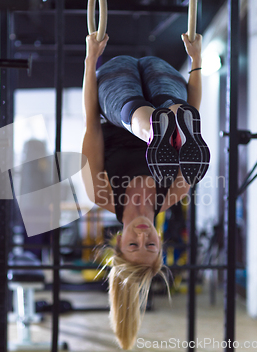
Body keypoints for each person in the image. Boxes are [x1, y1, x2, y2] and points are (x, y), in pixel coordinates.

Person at [81, 31, 209, 350]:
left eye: (133, 243)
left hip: (118, 92)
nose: (142, 234)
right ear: (160, 243)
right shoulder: (175, 191)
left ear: (118, 243)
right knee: (178, 108)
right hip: (164, 84)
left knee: (135, 111)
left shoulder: (101, 194)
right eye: (149, 243)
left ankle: (157, 130)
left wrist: (90, 57)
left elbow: (91, 124)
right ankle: (168, 127)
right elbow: (195, 108)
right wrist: (196, 61)